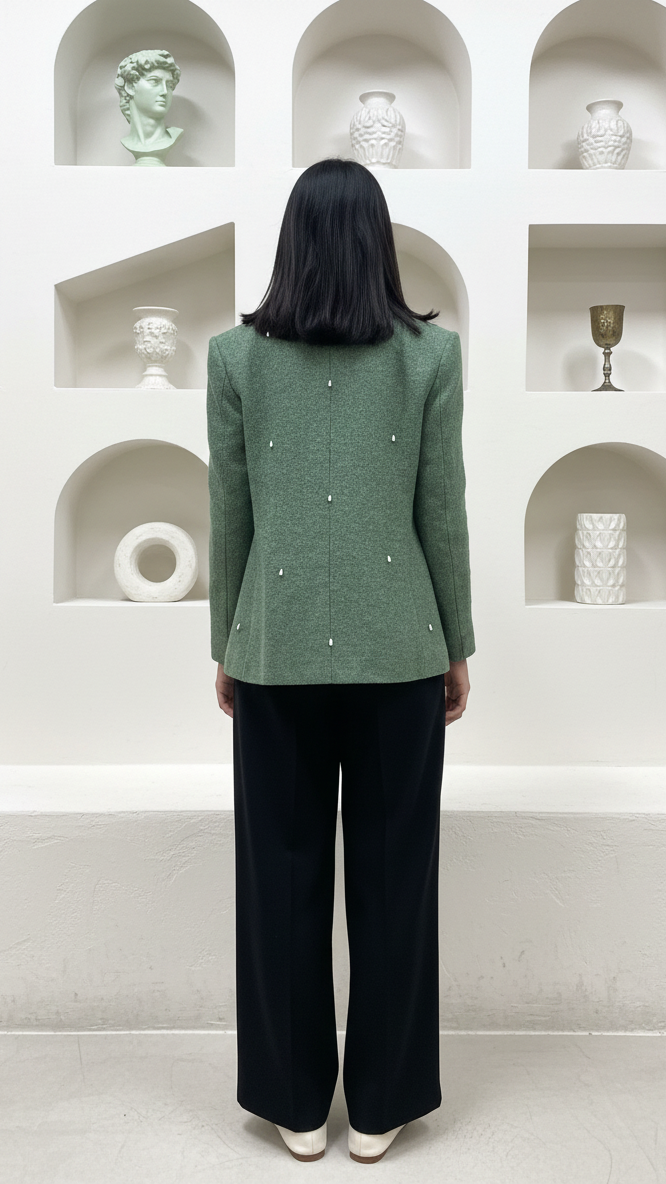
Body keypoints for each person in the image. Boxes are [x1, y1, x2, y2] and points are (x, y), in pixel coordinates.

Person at [206, 157, 475, 1164]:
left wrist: (227, 641)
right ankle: (382, 1102)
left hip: (273, 650)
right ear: (378, 241)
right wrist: (456, 644)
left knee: (279, 877)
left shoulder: (234, 356)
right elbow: (441, 509)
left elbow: (229, 511)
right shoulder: (431, 356)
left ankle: (293, 1101)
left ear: (292, 241)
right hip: (402, 649)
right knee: (397, 878)